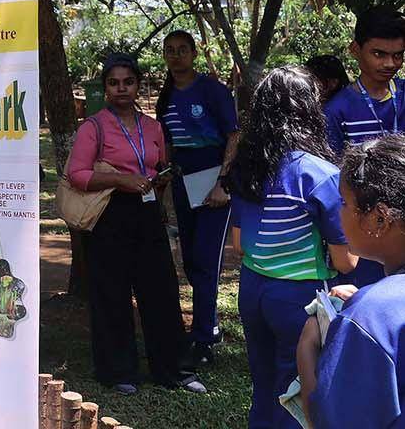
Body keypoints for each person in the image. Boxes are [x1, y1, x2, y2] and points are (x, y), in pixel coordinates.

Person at [68, 53, 206, 395]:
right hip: (108, 217)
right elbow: (76, 174)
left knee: (160, 291)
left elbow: (157, 164)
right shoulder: (94, 126)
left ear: (138, 84)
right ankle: (119, 373)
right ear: (105, 88)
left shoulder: (152, 126)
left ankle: (173, 370)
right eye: (113, 83)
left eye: (128, 82)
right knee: (111, 295)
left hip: (147, 215)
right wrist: (121, 181)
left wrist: (157, 180)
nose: (121, 89)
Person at [228, 67, 356, 429]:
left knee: (263, 387)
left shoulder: (246, 168)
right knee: (296, 392)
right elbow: (345, 263)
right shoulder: (322, 174)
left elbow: (239, 244)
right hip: (299, 298)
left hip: (252, 289)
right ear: (309, 110)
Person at [296, 136, 405, 428]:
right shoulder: (375, 311)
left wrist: (308, 348)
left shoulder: (367, 319)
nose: (338, 212)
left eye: (344, 202)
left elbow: (333, 421)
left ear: (379, 219)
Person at [157, 30, 240, 364]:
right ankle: (210, 325)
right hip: (182, 182)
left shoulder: (213, 90)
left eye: (182, 50)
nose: (176, 56)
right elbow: (167, 146)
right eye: (170, 51)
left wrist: (223, 183)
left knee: (206, 260)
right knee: (190, 259)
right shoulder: (165, 97)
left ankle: (204, 339)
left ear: (194, 53)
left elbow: (234, 137)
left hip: (214, 183)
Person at [323, 6, 405, 287]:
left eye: (398, 55)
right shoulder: (337, 110)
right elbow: (334, 179)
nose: (389, 64)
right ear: (355, 50)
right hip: (365, 227)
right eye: (379, 54)